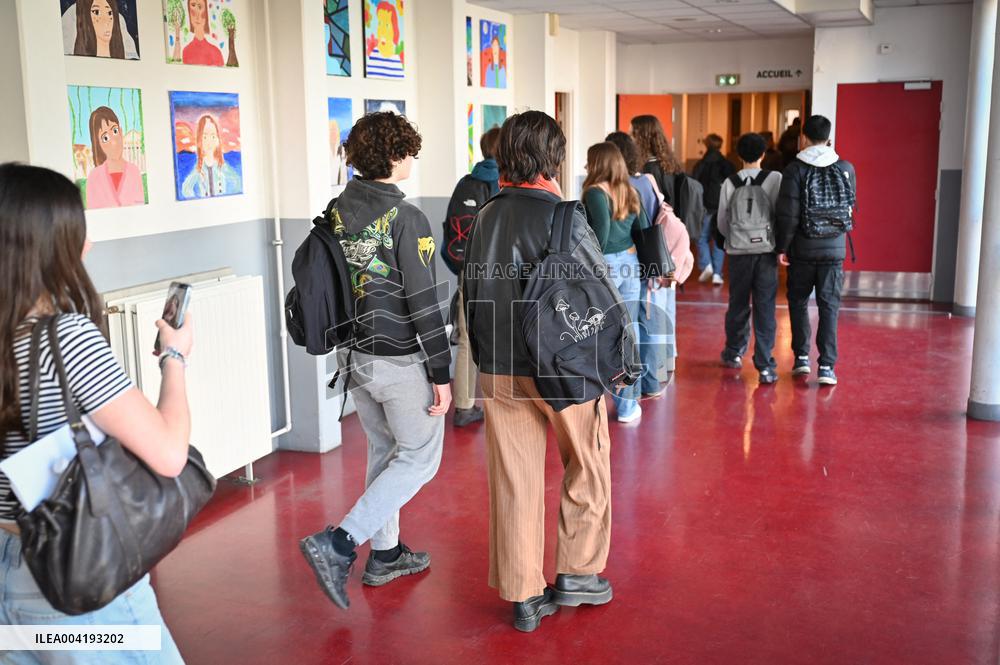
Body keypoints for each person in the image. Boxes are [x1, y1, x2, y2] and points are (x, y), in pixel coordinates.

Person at [0, 163, 190, 662]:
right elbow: (170, 455)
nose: (88, 245)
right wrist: (175, 358)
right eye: (79, 229)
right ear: (52, 245)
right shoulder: (63, 338)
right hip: (70, 578)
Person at [463, 111, 619, 633]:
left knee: (515, 477)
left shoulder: (485, 215)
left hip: (499, 367)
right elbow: (599, 295)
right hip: (562, 367)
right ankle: (576, 572)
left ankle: (524, 595)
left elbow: (471, 291)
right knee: (587, 460)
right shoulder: (564, 216)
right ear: (554, 157)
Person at [299, 112, 452, 611]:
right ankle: (342, 541)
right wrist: (442, 374)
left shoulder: (338, 209)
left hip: (354, 357)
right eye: (408, 150)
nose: (412, 159)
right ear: (392, 157)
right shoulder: (407, 218)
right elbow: (424, 302)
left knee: (385, 452)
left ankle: (384, 555)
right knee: (418, 459)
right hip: (401, 360)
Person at [776, 115, 857, 386]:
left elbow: (788, 214)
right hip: (834, 250)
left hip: (803, 249)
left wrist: (782, 247)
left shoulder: (795, 169)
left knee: (798, 301)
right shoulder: (845, 167)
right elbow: (849, 208)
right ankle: (827, 367)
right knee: (829, 305)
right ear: (829, 138)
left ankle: (801, 357)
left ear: (804, 137)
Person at [605, 131, 675, 395]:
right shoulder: (646, 181)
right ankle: (652, 382)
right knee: (649, 322)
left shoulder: (613, 189)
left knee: (632, 326)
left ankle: (630, 386)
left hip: (630, 258)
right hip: (647, 256)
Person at [582, 142, 646, 423]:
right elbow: (642, 229)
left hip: (606, 265)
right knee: (629, 332)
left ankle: (594, 399)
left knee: (598, 331)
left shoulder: (595, 193)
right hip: (631, 263)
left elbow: (602, 235)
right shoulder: (629, 191)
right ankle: (627, 405)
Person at [716, 133, 783, 384]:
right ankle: (765, 365)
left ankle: (734, 353)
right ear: (763, 154)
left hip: (738, 253)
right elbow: (781, 214)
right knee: (765, 307)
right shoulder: (774, 179)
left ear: (738, 155)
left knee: (738, 303)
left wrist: (736, 239)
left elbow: (723, 222)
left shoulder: (729, 182)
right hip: (765, 253)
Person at [448, 128, 500, 428]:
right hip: (500, 272)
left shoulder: (466, 182)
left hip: (469, 270)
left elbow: (449, 236)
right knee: (508, 336)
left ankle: (464, 406)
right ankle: (509, 405)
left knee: (467, 339)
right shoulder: (505, 184)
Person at [692, 134, 734, 286]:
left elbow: (694, 186)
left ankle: (706, 265)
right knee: (719, 240)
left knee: (701, 237)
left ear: (706, 145)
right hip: (722, 207)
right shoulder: (727, 165)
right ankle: (717, 274)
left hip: (705, 206)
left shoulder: (700, 165)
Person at [85, 106, 145, 209]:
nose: (113, 142)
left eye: (115, 131)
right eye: (105, 138)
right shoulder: (94, 177)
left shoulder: (134, 172)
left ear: (121, 132)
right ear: (98, 144)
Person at [181, 115, 242, 199]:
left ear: (218, 139)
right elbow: (186, 188)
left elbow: (237, 181)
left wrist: (228, 196)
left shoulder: (221, 165)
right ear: (199, 140)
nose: (209, 142)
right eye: (205, 137)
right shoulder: (199, 168)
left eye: (213, 136)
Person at [365, 2, 404, 79]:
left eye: (387, 25)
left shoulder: (396, 60)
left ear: (394, 30)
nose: (382, 30)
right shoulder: (374, 54)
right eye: (380, 23)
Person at [182, 0, 224, 66]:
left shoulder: (216, 52)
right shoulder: (186, 51)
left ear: (206, 13)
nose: (197, 14)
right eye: (193, 5)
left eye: (200, 6)